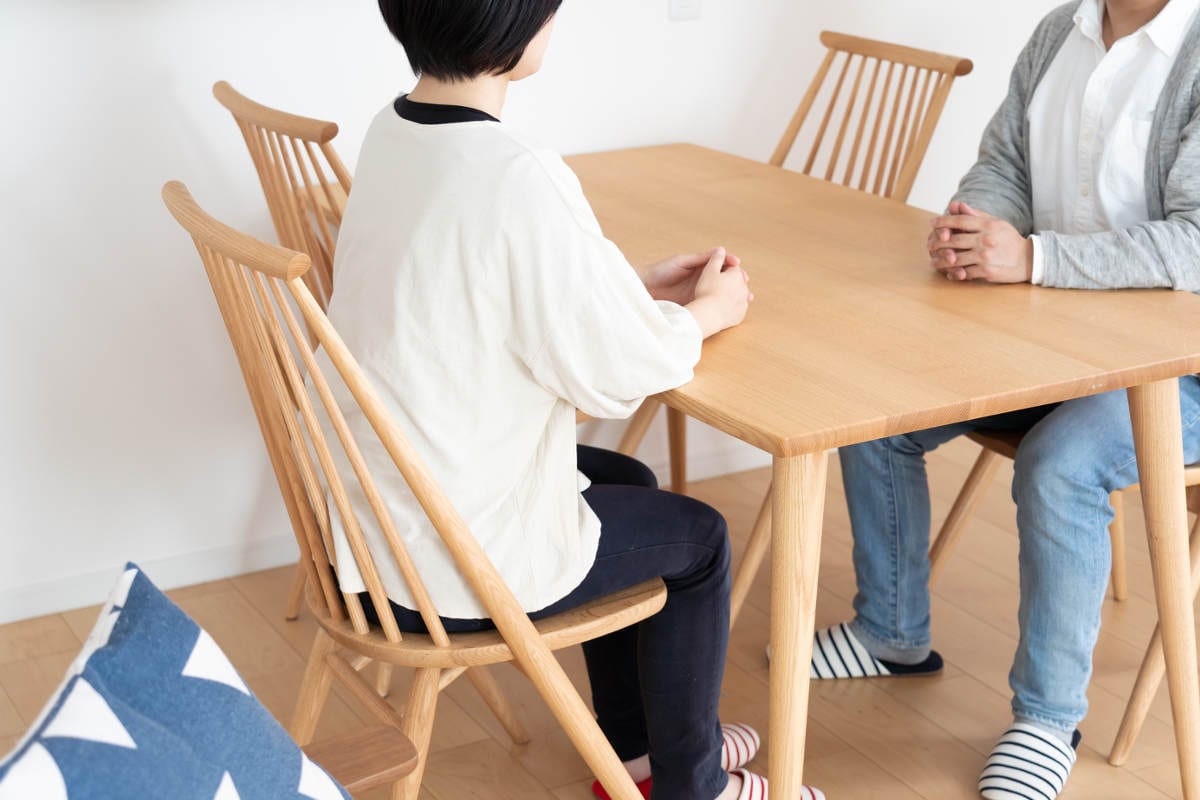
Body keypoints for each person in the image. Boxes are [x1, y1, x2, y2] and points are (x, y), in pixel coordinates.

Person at [322, 2, 824, 799]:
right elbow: (615, 374)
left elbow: (484, 289)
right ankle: (693, 785)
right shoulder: (517, 172)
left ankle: (635, 754)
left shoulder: (394, 132)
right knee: (700, 539)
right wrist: (707, 313)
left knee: (629, 482)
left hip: (375, 525)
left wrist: (626, 289)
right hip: (450, 561)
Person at [806, 1, 1200, 798]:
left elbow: (1195, 242)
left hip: (1177, 374)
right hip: (1050, 333)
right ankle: (889, 632)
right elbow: (1004, 164)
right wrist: (976, 225)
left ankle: (1047, 719)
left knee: (1061, 464)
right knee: (875, 400)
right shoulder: (1061, 31)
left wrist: (1035, 259)